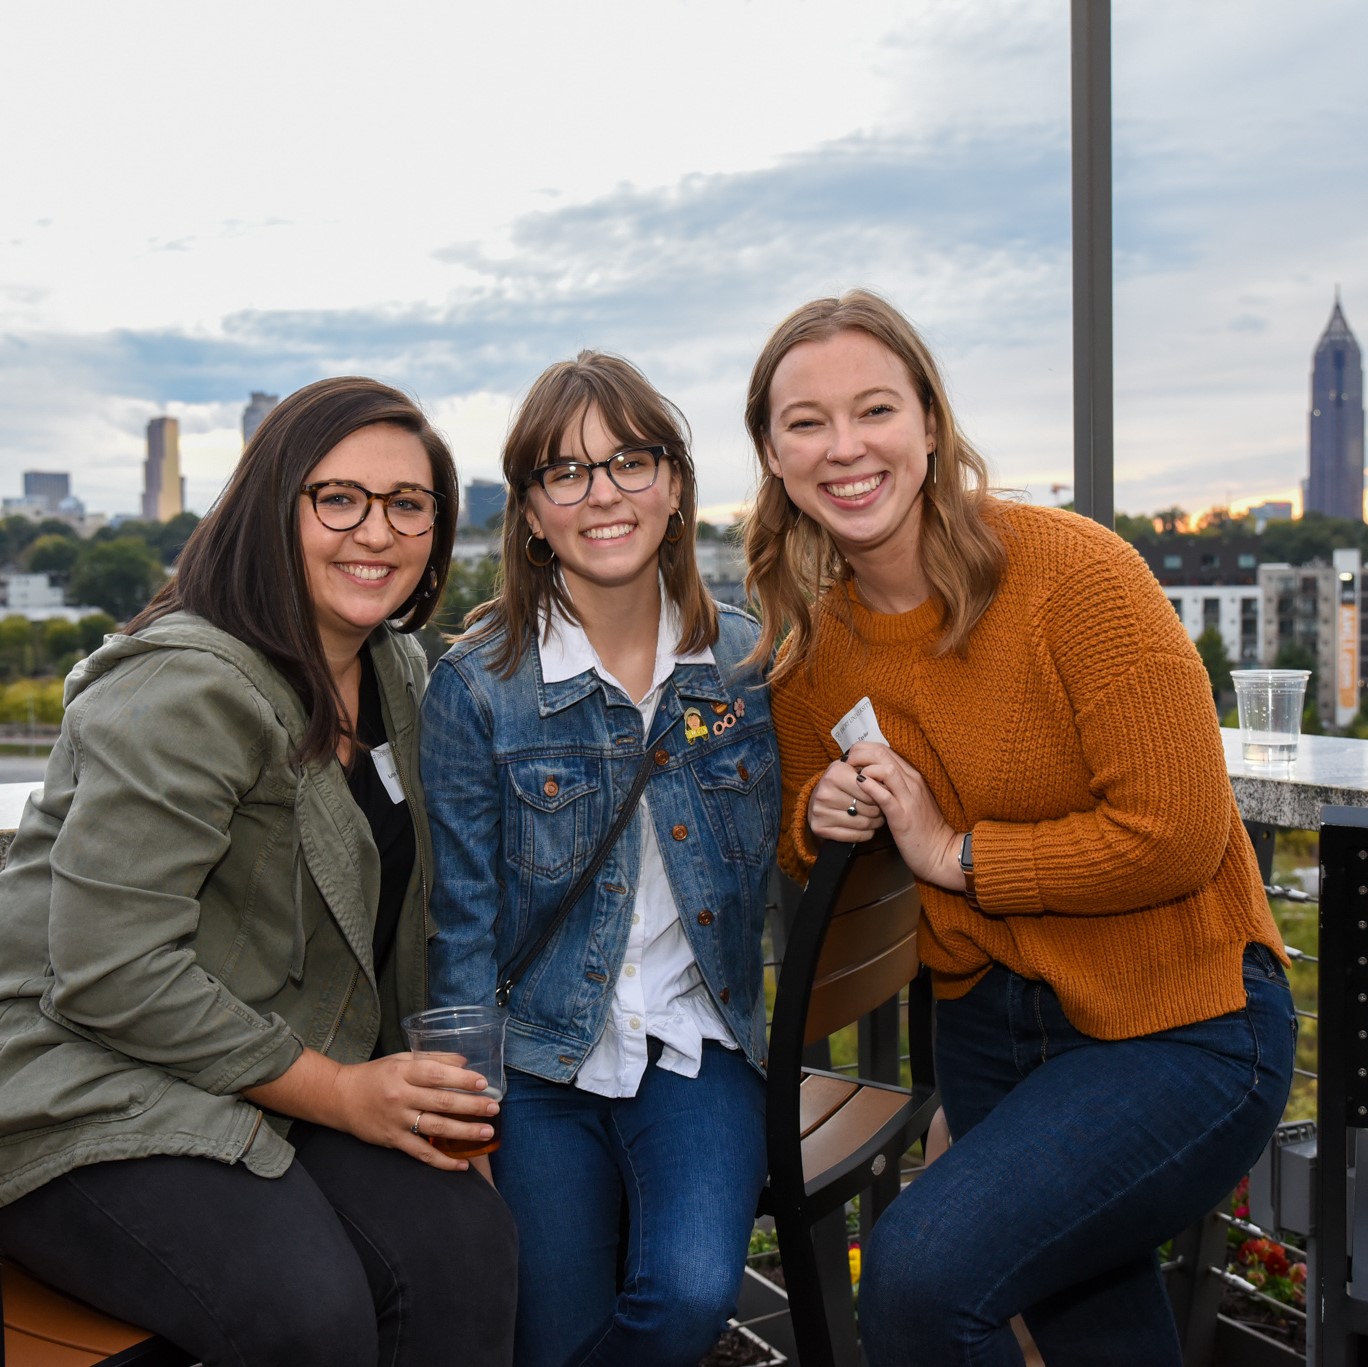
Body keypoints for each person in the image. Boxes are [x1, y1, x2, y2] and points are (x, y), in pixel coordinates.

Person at [741, 290, 1296, 1367]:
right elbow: (807, 839)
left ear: (932, 423)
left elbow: (1176, 831)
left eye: (875, 409)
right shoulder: (812, 638)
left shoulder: (1073, 573)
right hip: (993, 1035)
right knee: (1097, 1332)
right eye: (805, 421)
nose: (844, 447)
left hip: (1181, 1017)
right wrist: (819, 815)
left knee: (919, 1275)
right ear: (772, 451)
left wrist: (959, 854)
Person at [0, 377, 518, 1367]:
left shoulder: (401, 675)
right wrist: (351, 1095)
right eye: (338, 497)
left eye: (408, 503)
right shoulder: (188, 686)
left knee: (465, 1245)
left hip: (271, 1064)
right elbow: (108, 970)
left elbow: (413, 913)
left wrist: (436, 1096)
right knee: (305, 1311)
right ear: (273, 507)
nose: (376, 530)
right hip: (84, 1078)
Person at [420, 351, 780, 1367]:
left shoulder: (747, 665)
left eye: (630, 460)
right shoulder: (479, 688)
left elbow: (800, 844)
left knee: (689, 1295)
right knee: (557, 1335)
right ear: (532, 511)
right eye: (565, 471)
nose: (603, 492)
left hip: (694, 1042)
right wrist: (466, 1117)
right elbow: (462, 923)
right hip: (537, 1061)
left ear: (674, 484)